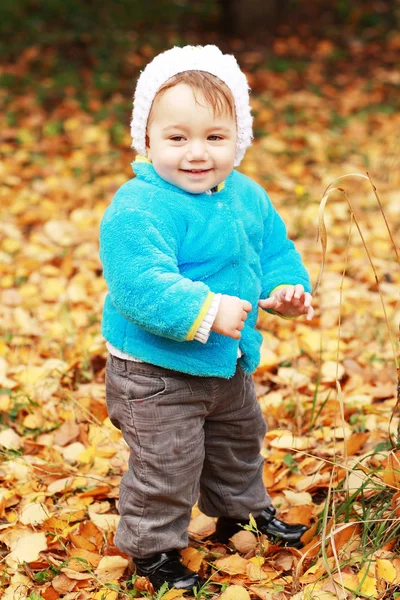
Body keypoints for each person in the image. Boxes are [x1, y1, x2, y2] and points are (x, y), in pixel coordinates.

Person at [99, 44, 314, 592]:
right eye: (177, 137)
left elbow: (272, 253)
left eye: (215, 137)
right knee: (167, 467)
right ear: (147, 140)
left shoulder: (246, 195)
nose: (197, 153)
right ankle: (153, 550)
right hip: (155, 373)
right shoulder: (138, 207)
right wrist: (206, 308)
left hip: (227, 365)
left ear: (237, 139)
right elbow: (138, 284)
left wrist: (286, 288)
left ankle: (239, 516)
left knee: (237, 444)